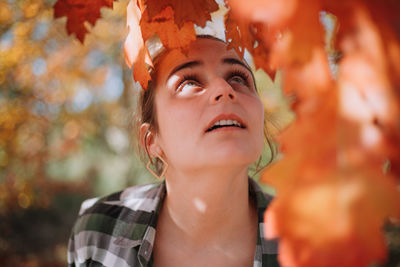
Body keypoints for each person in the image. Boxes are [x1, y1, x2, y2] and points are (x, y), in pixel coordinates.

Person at [67, 36, 279, 267]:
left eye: (238, 78)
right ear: (152, 140)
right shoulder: (98, 228)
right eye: (188, 82)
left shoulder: (316, 240)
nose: (225, 88)